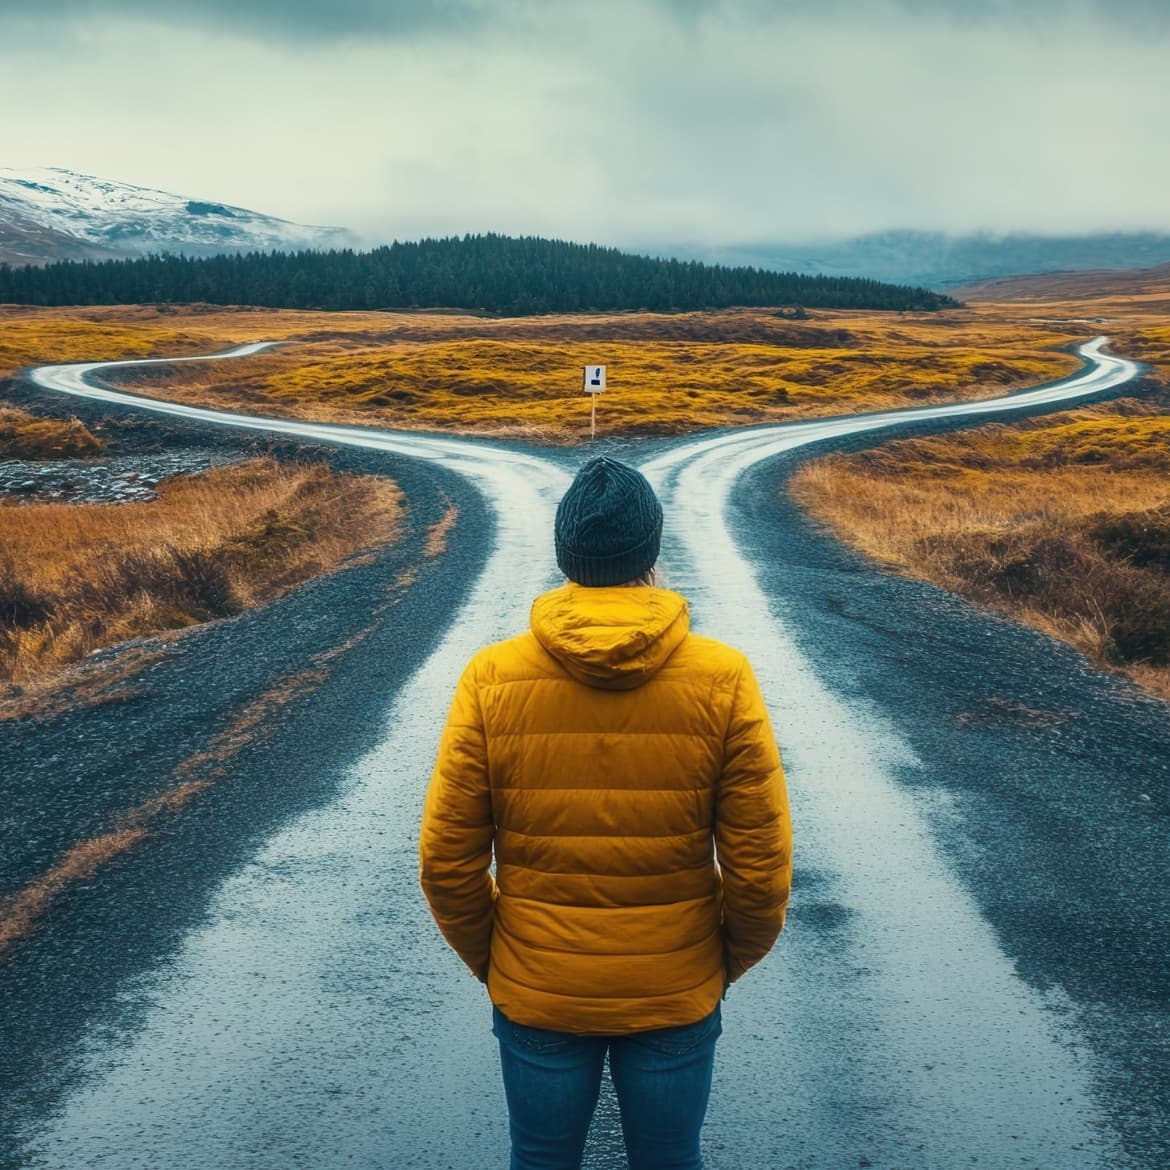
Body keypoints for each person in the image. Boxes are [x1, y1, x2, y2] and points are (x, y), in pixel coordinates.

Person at [419, 455, 792, 1170]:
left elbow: (445, 863)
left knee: (541, 1158)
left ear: (567, 555)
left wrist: (503, 963)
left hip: (539, 991)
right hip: (675, 988)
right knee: (669, 1159)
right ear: (651, 553)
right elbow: (762, 869)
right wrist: (714, 964)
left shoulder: (492, 677)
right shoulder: (723, 677)